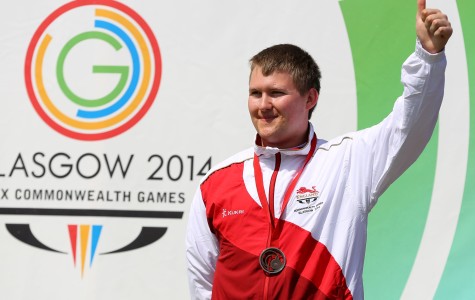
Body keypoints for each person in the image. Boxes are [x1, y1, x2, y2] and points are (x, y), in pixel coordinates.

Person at [186, 0, 452, 298]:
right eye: (255, 93)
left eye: (276, 93)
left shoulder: (348, 162)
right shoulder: (217, 183)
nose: (263, 105)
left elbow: (410, 126)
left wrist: (428, 59)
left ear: (310, 98)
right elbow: (202, 284)